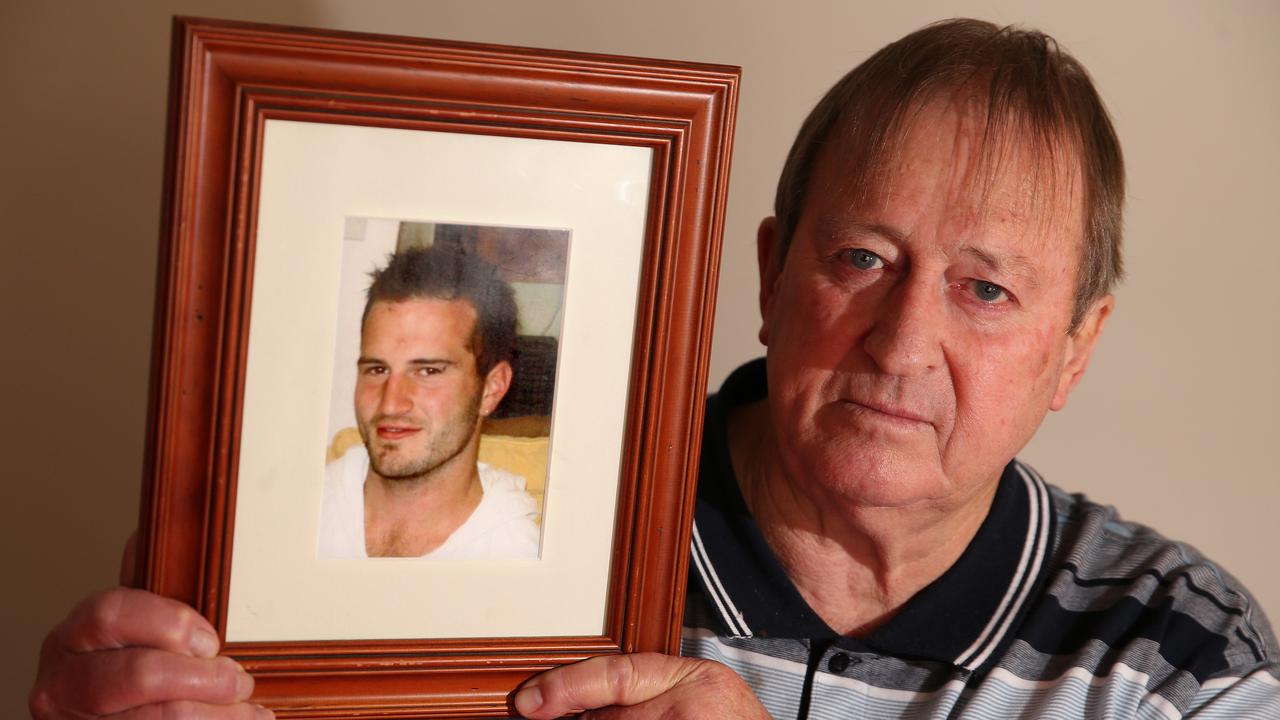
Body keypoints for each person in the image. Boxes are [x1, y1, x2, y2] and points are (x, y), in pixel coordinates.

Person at [29, 19, 1278, 720]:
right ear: (771, 274)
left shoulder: (1180, 656)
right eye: (860, 257)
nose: (902, 345)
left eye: (986, 290)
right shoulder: (509, 562)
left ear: (1074, 350)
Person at [318, 245, 540, 559]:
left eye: (427, 371)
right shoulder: (304, 510)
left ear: (491, 389)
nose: (390, 404)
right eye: (377, 369)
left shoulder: (514, 554)